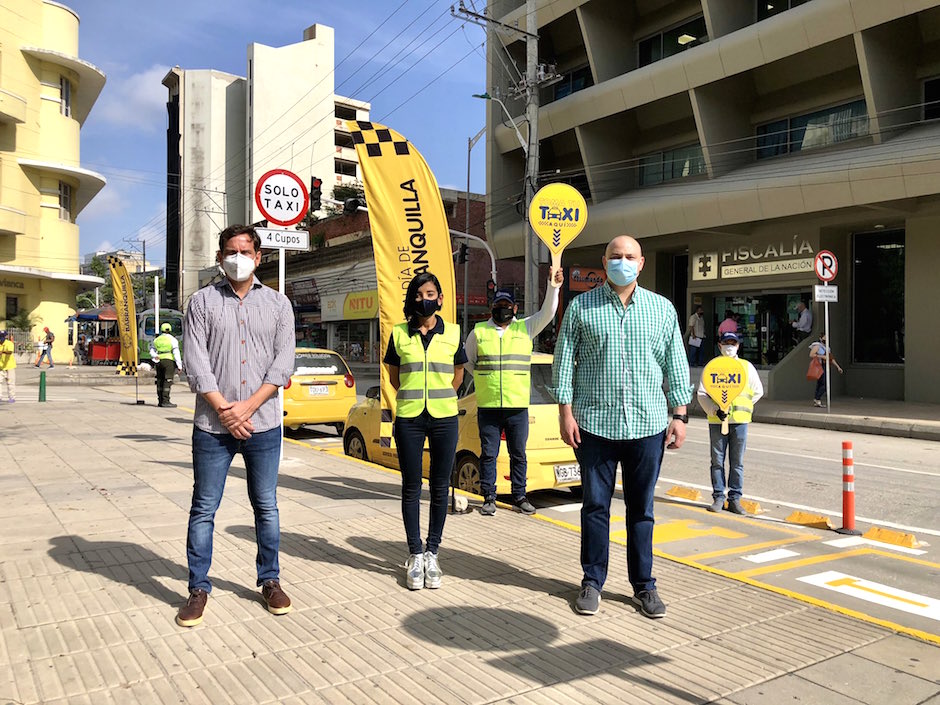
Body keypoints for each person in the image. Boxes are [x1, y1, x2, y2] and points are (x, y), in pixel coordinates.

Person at [551, 235, 691, 620]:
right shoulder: (581, 307)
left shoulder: (662, 310)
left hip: (647, 426)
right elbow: (563, 362)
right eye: (616, 256)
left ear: (641, 263)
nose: (623, 262)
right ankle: (592, 581)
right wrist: (565, 412)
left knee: (641, 510)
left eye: (630, 257)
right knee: (595, 507)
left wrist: (679, 415)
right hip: (595, 425)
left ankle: (644, 585)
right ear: (604, 260)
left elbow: (675, 364)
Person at [178, 224, 295, 628]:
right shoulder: (202, 302)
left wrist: (246, 407)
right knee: (204, 508)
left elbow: (283, 363)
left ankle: (270, 580)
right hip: (212, 425)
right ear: (219, 256)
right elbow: (195, 362)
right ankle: (197, 587)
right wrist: (225, 410)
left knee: (266, 506)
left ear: (259, 257)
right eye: (231, 250)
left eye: (246, 250)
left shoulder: (279, 305)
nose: (238, 257)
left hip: (263, 423)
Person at [384, 272, 465, 591]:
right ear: (412, 299)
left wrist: (441, 396)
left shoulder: (454, 333)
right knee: (411, 486)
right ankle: (415, 554)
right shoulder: (400, 333)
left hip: (444, 417)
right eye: (418, 295)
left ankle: (433, 552)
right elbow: (394, 376)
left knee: (441, 486)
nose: (424, 299)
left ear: (440, 299)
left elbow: (458, 376)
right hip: (410, 418)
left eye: (430, 293)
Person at [464, 270, 563, 516]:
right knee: (488, 454)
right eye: (499, 305)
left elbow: (548, 313)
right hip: (488, 406)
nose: (503, 309)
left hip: (517, 406)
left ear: (515, 308)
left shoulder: (525, 329)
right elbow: (469, 361)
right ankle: (489, 497)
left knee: (519, 454)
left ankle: (520, 496)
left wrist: (553, 287)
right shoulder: (478, 332)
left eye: (507, 305)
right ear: (492, 307)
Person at [696, 332, 763, 514]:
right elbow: (702, 393)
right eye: (726, 343)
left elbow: (757, 391)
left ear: (738, 346)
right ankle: (718, 497)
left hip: (740, 422)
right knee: (717, 461)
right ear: (720, 345)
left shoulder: (746, 367)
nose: (729, 346)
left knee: (737, 463)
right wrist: (714, 410)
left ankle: (735, 499)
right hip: (717, 421)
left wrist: (745, 406)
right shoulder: (713, 367)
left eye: (733, 343)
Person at [150, 322, 183, 408]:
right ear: (170, 330)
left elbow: (152, 350)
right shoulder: (173, 340)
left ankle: (160, 400)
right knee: (167, 380)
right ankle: (166, 400)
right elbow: (176, 353)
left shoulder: (156, 340)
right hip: (168, 361)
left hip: (158, 360)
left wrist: (155, 356)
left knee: (160, 380)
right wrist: (179, 365)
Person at [809, 332, 843, 407]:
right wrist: (822, 356)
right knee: (823, 384)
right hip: (820, 366)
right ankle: (817, 399)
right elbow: (811, 354)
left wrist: (838, 367)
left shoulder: (827, 348)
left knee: (821, 383)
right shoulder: (817, 346)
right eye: (824, 337)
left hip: (825, 366)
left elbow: (831, 358)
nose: (826, 339)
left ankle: (817, 399)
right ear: (821, 338)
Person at [0, 331, 15, 403]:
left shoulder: (9, 343)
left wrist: (2, 352)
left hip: (9, 366)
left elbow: (10, 351)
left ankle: (12, 397)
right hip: (0, 367)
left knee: (10, 383)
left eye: (2, 337)